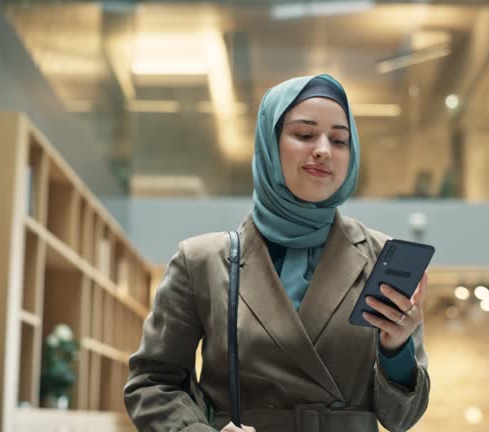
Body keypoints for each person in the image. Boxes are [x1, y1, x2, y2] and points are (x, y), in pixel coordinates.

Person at [123, 74, 430, 432]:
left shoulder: (380, 256)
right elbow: (152, 384)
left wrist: (396, 351)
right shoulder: (201, 262)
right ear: (270, 143)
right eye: (304, 134)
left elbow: (401, 418)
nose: (324, 150)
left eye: (340, 140)